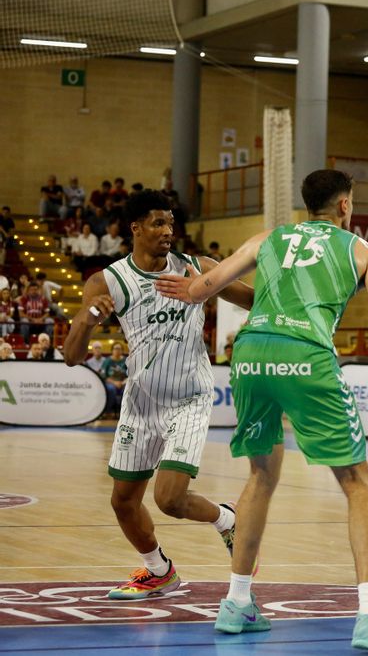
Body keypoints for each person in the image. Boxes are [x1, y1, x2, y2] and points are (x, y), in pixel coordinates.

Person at [155, 169, 368, 652]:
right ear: (344, 205)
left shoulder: (269, 238)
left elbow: (205, 285)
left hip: (251, 354)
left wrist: (186, 287)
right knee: (358, 484)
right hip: (305, 354)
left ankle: (236, 604)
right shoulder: (360, 251)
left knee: (261, 475)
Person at [61, 190, 256, 602]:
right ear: (135, 228)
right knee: (123, 501)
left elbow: (254, 300)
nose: (168, 231)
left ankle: (227, 520)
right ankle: (159, 571)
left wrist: (206, 287)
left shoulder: (197, 268)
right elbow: (72, 357)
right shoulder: (107, 281)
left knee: (169, 498)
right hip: (140, 402)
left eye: (171, 223)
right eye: (158, 224)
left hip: (190, 396)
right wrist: (88, 322)